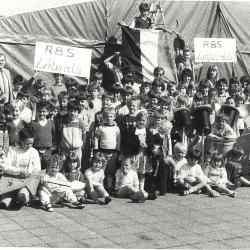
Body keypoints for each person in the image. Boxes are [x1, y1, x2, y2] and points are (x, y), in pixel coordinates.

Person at [0, 128, 41, 209]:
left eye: (31, 143)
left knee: (23, 196)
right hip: (11, 181)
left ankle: (21, 197)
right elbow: (4, 166)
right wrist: (19, 171)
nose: (29, 146)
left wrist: (29, 172)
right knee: (4, 204)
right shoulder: (13, 150)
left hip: (26, 182)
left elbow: (37, 169)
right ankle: (10, 197)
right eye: (27, 143)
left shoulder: (34, 152)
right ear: (20, 140)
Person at [94, 107, 120, 194]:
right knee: (101, 170)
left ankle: (109, 187)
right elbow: (96, 138)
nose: (109, 118)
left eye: (111, 116)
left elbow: (118, 140)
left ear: (114, 117)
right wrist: (96, 149)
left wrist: (118, 151)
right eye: (107, 117)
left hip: (113, 153)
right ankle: (100, 187)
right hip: (102, 153)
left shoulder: (116, 128)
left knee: (110, 171)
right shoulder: (101, 127)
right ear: (104, 117)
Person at [30, 100, 56, 170]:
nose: (41, 113)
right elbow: (30, 137)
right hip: (35, 151)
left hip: (47, 152)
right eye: (39, 111)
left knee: (46, 170)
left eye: (44, 111)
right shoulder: (33, 123)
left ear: (47, 112)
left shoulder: (51, 123)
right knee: (35, 170)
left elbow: (54, 137)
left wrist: (51, 149)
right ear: (36, 112)